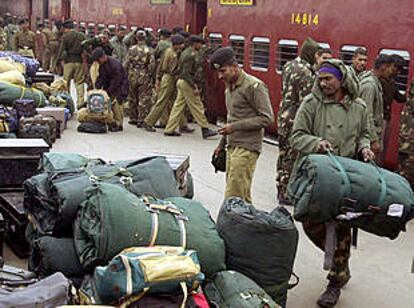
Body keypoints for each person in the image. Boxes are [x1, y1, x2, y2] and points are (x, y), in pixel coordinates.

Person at [289, 60, 374, 308]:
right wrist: (316, 142)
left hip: (346, 177)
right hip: (316, 177)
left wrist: (365, 148)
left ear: (342, 79)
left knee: (341, 227)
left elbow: (364, 134)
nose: (323, 83)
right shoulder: (311, 104)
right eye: (320, 78)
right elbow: (296, 136)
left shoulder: (358, 106)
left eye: (328, 79)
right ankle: (339, 258)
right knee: (310, 222)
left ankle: (336, 278)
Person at [210, 47, 274, 204]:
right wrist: (221, 145)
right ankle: (248, 225)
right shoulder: (230, 87)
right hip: (232, 146)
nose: (220, 76)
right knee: (241, 195)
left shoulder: (254, 87)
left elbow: (267, 118)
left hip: (247, 147)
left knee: (233, 196)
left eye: (223, 71)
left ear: (234, 66)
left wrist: (235, 127)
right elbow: (232, 118)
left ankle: (229, 227)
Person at [276, 37, 320, 204]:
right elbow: (306, 101)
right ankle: (285, 192)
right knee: (291, 157)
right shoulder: (306, 73)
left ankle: (280, 187)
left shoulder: (289, 65)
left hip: (283, 116)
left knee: (283, 155)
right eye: (316, 54)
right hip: (294, 120)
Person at [163, 35, 217, 139]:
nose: (201, 45)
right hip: (186, 82)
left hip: (181, 82)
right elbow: (186, 73)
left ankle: (169, 129)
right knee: (197, 106)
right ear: (195, 44)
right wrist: (194, 86)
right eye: (200, 43)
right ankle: (205, 129)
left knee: (178, 107)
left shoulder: (185, 52)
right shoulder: (190, 55)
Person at [142, 34, 185, 131]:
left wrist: (158, 78)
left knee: (176, 101)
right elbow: (172, 70)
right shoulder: (173, 54)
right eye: (181, 44)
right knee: (162, 101)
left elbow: (160, 65)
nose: (182, 46)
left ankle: (182, 123)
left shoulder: (168, 51)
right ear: (176, 45)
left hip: (166, 77)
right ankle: (148, 121)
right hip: (169, 78)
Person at [359, 54, 395, 156]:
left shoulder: (374, 82)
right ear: (384, 67)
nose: (391, 72)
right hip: (367, 138)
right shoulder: (370, 86)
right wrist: (373, 140)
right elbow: (367, 114)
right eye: (390, 68)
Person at [124, 29, 156, 127]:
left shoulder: (131, 49)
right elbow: (152, 65)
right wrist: (151, 76)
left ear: (136, 38)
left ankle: (133, 117)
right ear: (145, 38)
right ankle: (141, 119)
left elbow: (126, 63)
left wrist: (126, 74)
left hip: (132, 74)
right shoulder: (149, 50)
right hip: (144, 74)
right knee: (143, 98)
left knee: (132, 96)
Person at [92, 47, 129, 132]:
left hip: (120, 86)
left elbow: (117, 81)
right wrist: (97, 87)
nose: (98, 62)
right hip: (110, 86)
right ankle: (111, 121)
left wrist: (108, 92)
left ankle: (119, 124)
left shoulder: (114, 64)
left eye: (98, 60)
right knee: (109, 103)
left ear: (103, 57)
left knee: (117, 103)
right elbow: (101, 77)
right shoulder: (103, 64)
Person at [57, 19, 86, 108]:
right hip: (79, 62)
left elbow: (61, 50)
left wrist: (58, 61)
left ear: (66, 28)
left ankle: (68, 103)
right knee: (79, 82)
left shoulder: (65, 37)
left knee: (66, 83)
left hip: (68, 62)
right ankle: (80, 102)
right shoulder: (81, 35)